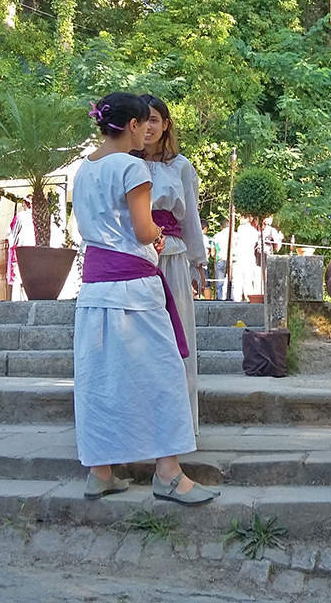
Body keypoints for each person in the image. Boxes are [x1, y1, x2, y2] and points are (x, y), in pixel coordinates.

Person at [72, 92, 217, 506]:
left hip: (94, 288)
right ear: (132, 125)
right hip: (134, 286)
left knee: (99, 378)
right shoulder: (131, 166)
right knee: (163, 376)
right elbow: (142, 229)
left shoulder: (84, 168)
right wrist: (157, 235)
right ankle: (168, 474)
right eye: (143, 123)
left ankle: (100, 472)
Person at [135, 94, 208, 434]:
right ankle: (141, 427)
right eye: (143, 119)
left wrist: (197, 262)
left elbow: (190, 217)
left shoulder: (181, 167)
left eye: (155, 119)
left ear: (165, 124)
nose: (148, 127)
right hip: (135, 256)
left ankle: (180, 427)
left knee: (179, 339)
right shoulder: (123, 163)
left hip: (173, 256)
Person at [7, 196, 34, 301]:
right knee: (29, 277)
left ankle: (16, 301)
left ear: (24, 203)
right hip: (34, 250)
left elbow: (13, 234)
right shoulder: (38, 216)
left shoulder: (20, 216)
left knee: (17, 277)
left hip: (21, 249)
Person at [211, 219, 230, 300]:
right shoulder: (235, 235)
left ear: (221, 227)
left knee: (220, 282)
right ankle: (232, 299)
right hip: (232, 261)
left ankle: (220, 299)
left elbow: (213, 253)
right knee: (232, 282)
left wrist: (216, 257)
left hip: (220, 260)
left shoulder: (216, 236)